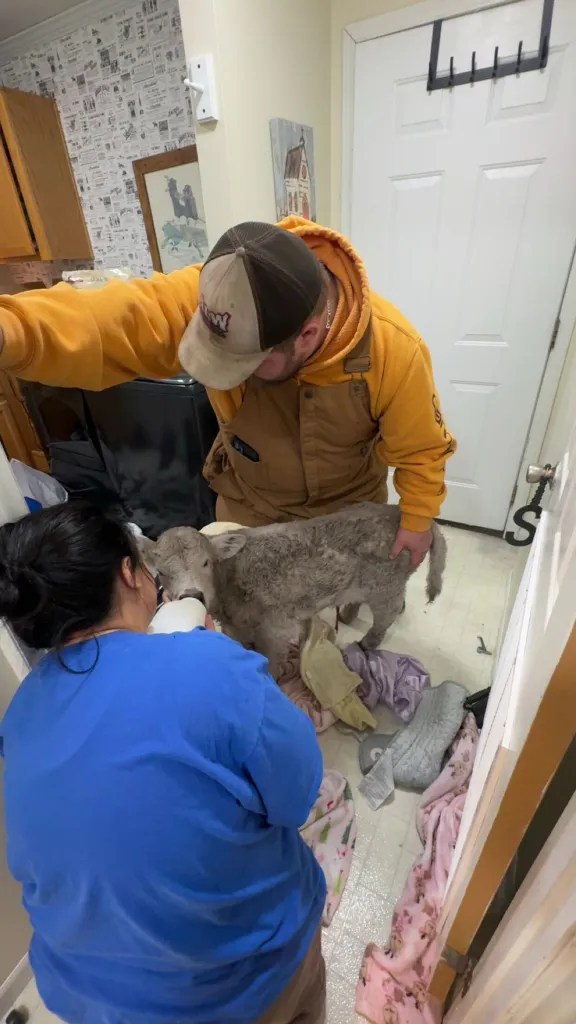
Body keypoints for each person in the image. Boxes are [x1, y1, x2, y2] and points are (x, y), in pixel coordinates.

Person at [0, 501, 326, 1024]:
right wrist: (214, 653)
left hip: (87, 994)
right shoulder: (209, 666)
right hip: (240, 989)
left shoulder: (19, 716)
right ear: (128, 573)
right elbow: (299, 794)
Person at [0, 216, 455, 567]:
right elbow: (117, 315)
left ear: (307, 334)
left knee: (323, 626)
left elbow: (422, 452)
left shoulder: (395, 349)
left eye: (245, 362)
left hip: (341, 514)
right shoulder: (225, 288)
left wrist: (416, 522)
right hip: (248, 504)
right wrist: (12, 331)